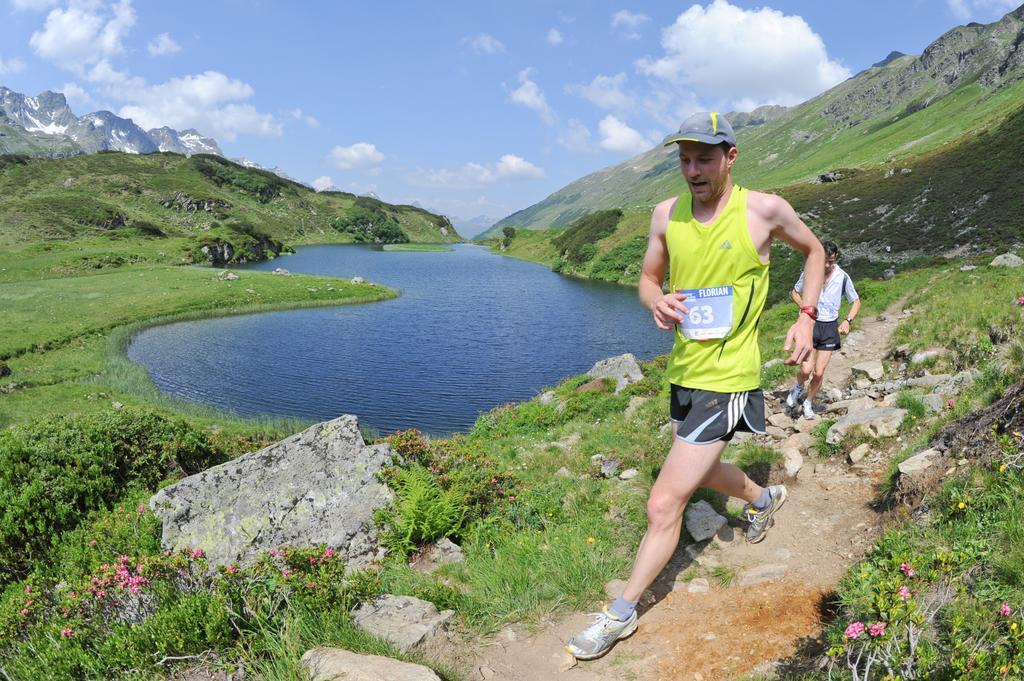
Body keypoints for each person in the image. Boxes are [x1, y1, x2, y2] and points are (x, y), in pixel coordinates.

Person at [566, 112, 825, 660]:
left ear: (730, 157)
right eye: (684, 159)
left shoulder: (763, 210)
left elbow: (815, 252)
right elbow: (647, 278)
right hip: (685, 371)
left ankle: (620, 614)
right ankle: (762, 498)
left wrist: (807, 316)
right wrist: (654, 300)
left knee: (664, 503)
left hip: (730, 377)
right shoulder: (666, 214)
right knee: (701, 468)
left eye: (704, 158)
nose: (693, 170)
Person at [785, 241, 861, 419]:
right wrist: (806, 307)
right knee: (806, 370)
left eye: (831, 261)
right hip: (810, 324)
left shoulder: (842, 276)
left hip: (829, 327)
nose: (827, 265)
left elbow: (856, 301)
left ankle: (808, 403)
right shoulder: (810, 272)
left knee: (819, 372)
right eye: (825, 261)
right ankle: (798, 387)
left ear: (836, 259)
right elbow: (795, 292)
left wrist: (847, 321)